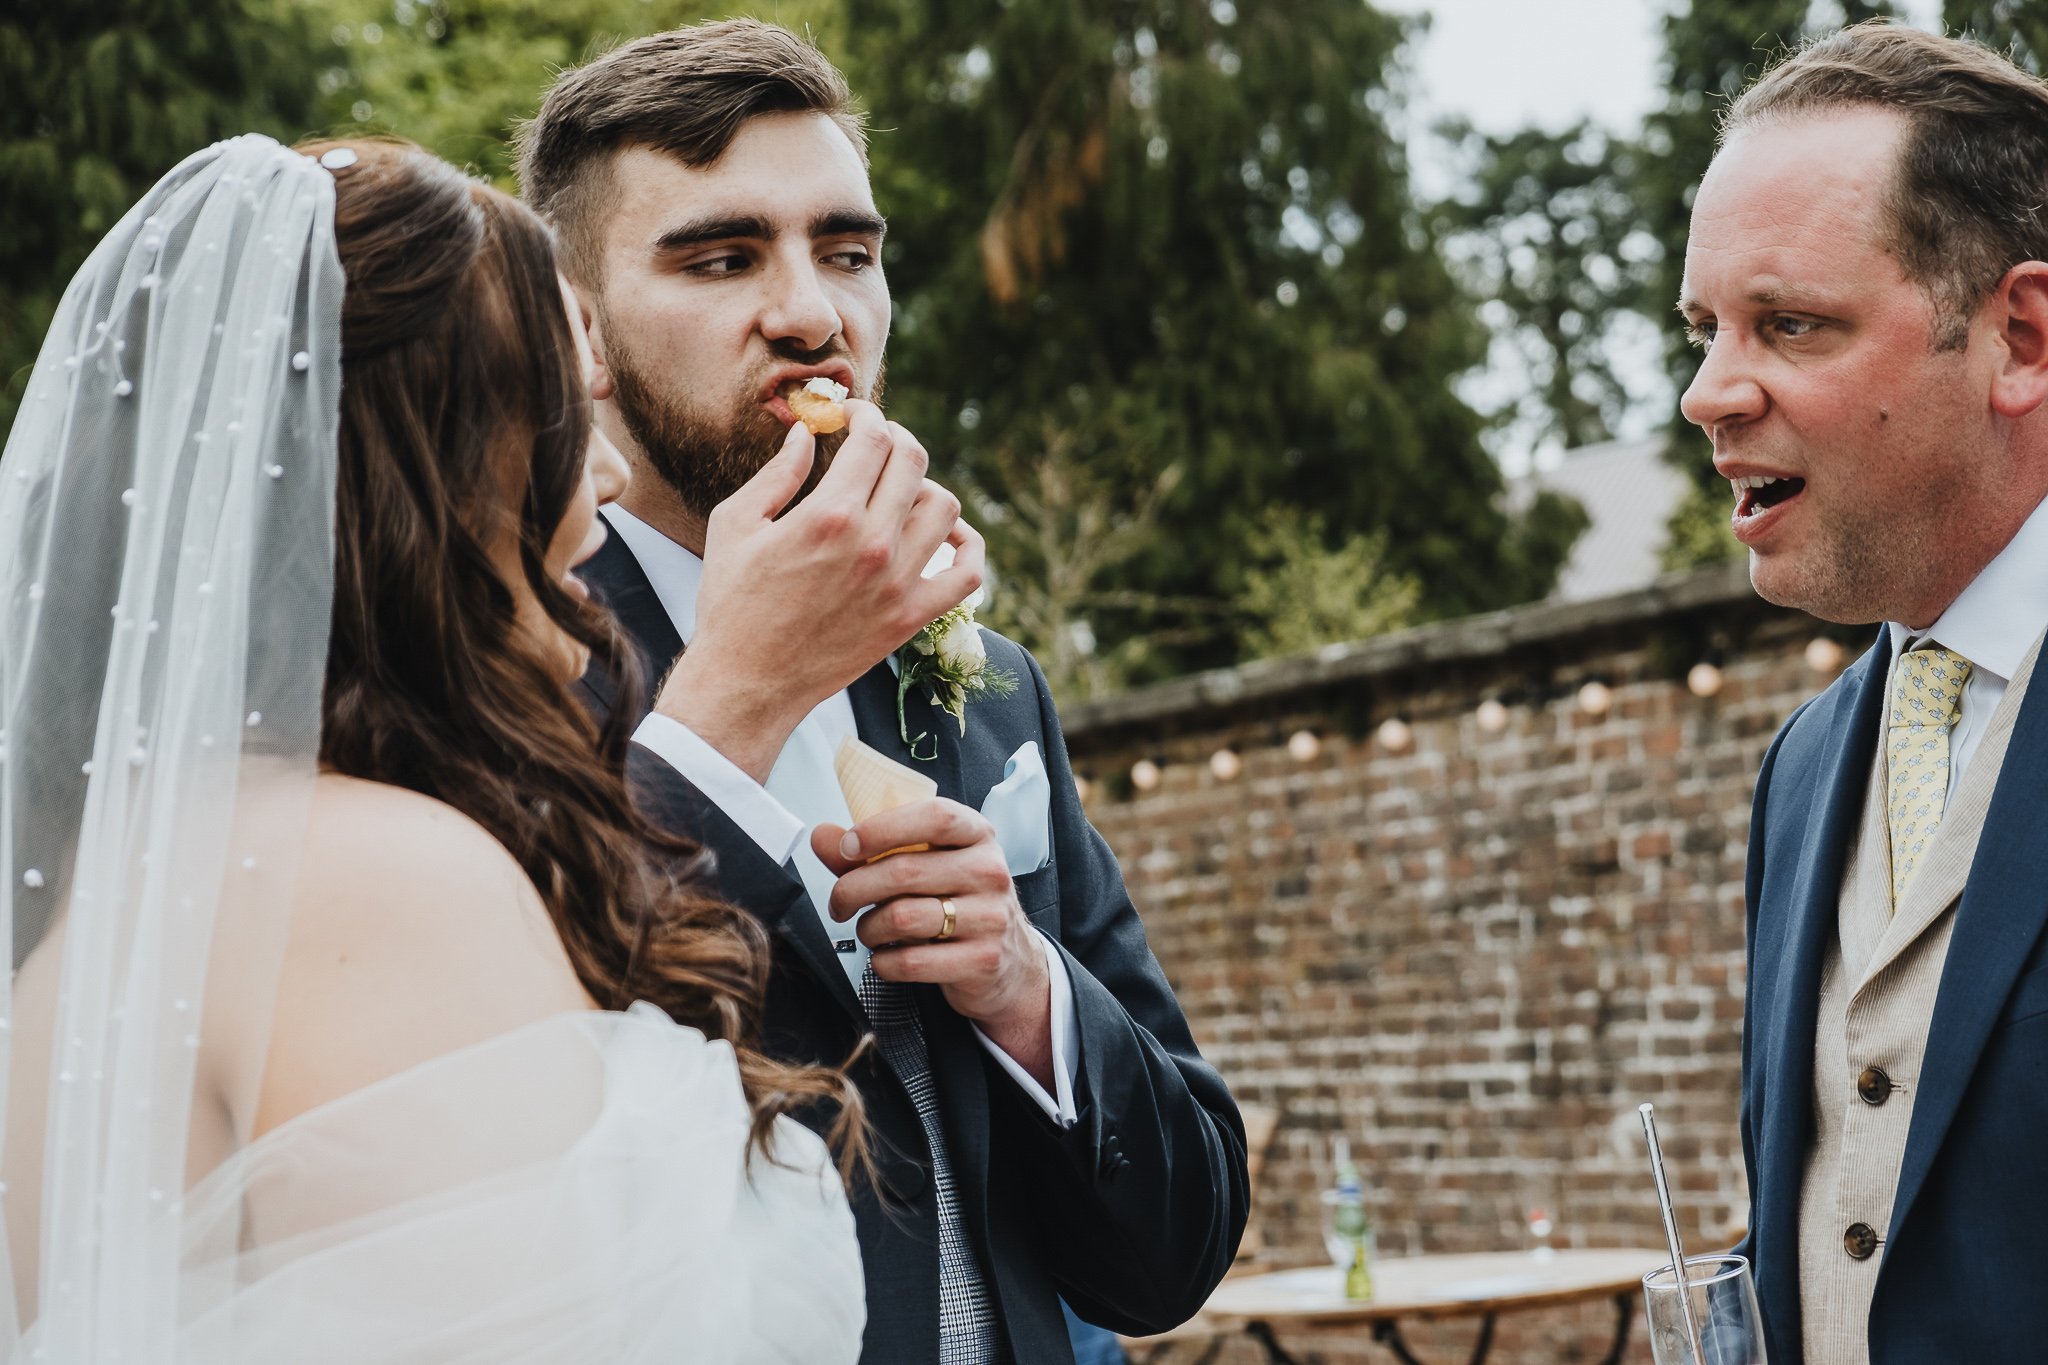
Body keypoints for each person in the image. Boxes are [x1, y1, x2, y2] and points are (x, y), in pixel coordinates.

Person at [0, 133, 865, 1360]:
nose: (604, 476)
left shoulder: (108, 900)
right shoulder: (376, 885)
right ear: (432, 471)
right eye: (557, 414)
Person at [518, 20, 1249, 1364]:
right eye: (723, 257)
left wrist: (1023, 988)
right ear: (580, 329)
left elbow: (1177, 1248)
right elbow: (496, 1170)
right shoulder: (491, 667)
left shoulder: (988, 688)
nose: (814, 314)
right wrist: (731, 703)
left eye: (848, 252)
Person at [1680, 22, 2048, 1364]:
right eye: (1703, 331)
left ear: (2019, 337)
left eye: (1790, 324)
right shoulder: (1802, 765)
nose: (1707, 394)